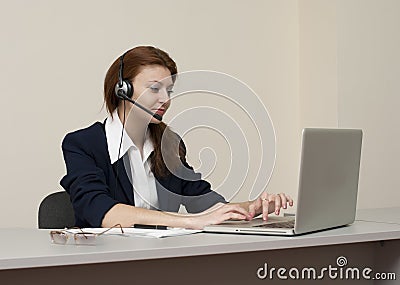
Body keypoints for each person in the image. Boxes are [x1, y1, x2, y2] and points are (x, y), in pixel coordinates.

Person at [60, 46, 293, 229]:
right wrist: (190, 222)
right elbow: (102, 212)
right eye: (154, 89)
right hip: (103, 265)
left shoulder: (169, 144)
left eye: (169, 91)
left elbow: (205, 204)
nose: (165, 99)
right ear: (123, 90)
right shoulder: (83, 144)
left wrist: (253, 207)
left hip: (163, 260)